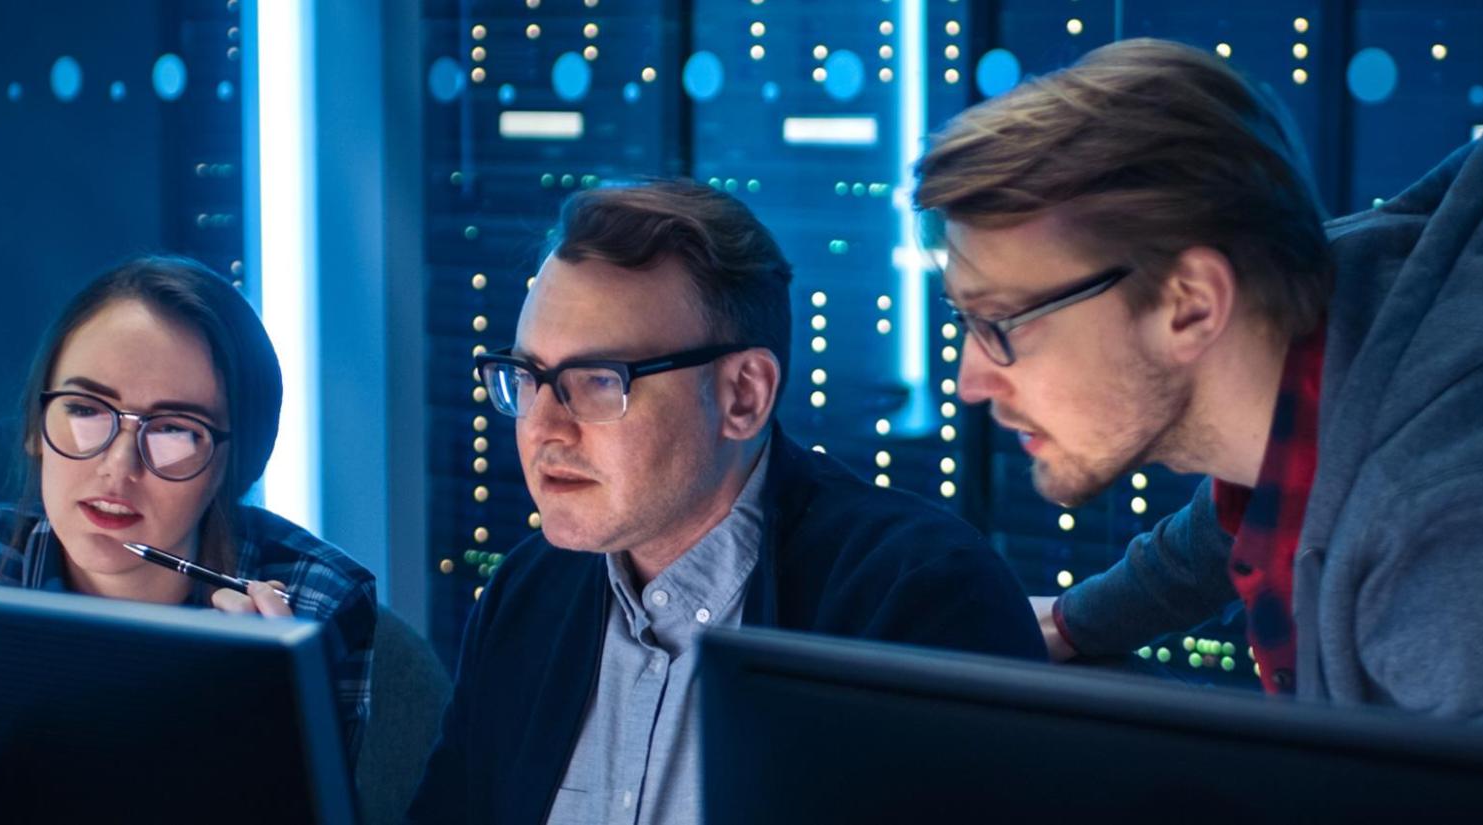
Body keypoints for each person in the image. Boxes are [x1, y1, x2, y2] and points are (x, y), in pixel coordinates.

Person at [913, 38, 1483, 753]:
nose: (967, 380)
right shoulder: (1345, 328)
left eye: (1002, 324)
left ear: (1189, 303)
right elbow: (1232, 515)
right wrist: (1074, 622)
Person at [409, 180, 1046, 823]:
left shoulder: (913, 601)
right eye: (526, 378)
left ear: (744, 396)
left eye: (598, 381)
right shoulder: (527, 594)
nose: (544, 427)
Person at [0, 255, 378, 757]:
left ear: (236, 466)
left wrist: (255, 712)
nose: (118, 467)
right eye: (84, 410)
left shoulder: (315, 603)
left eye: (174, 430)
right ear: (35, 428)